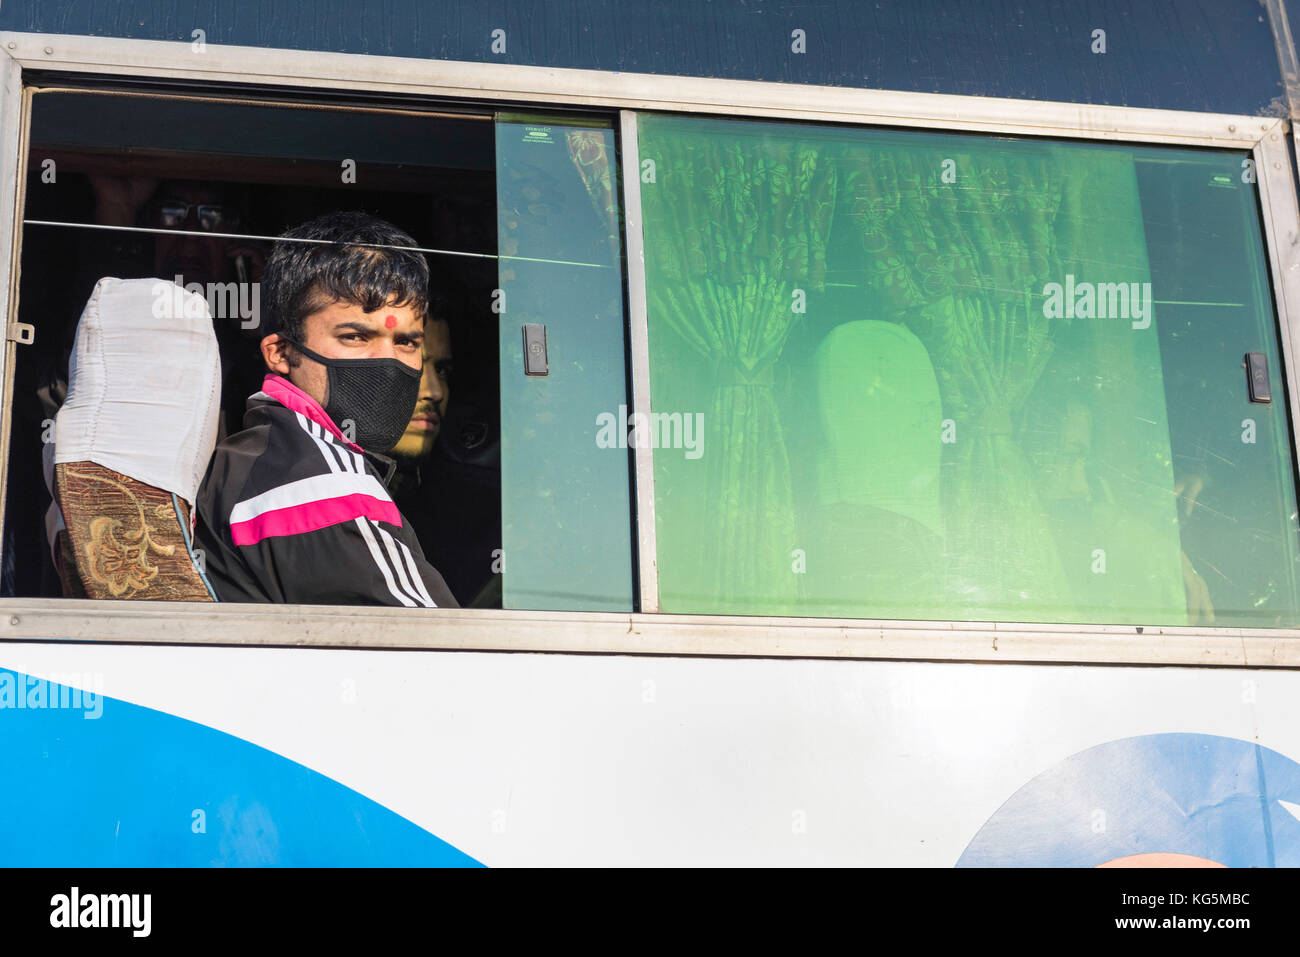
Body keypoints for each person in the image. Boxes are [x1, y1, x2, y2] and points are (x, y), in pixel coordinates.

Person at [194, 211, 458, 607]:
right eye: (355, 336)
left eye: (406, 342)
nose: (387, 364)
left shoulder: (256, 453)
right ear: (281, 353)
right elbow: (441, 653)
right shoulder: (326, 487)